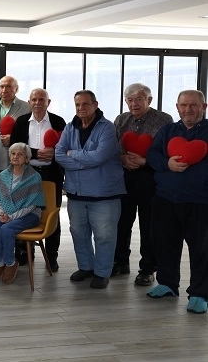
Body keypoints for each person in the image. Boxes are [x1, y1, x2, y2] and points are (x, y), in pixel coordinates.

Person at [145, 90, 208, 314]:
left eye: (193, 105)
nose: (188, 109)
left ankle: (200, 294)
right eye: (183, 105)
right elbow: (152, 155)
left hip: (200, 202)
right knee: (165, 244)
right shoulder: (168, 131)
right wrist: (167, 164)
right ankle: (168, 284)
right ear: (177, 107)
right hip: (165, 199)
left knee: (201, 249)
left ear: (204, 107)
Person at [55, 90, 125, 289]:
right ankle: (86, 267)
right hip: (76, 192)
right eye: (77, 104)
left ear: (95, 104)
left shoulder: (107, 128)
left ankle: (102, 273)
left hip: (104, 194)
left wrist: (73, 154)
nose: (81, 108)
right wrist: (85, 161)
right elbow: (59, 154)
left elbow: (100, 156)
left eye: (85, 104)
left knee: (104, 235)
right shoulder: (70, 127)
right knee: (79, 233)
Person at [113, 83, 173, 286]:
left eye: (139, 99)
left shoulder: (164, 120)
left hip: (151, 178)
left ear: (149, 100)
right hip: (124, 178)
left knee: (149, 225)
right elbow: (113, 148)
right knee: (122, 222)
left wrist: (145, 161)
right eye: (130, 100)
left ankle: (147, 269)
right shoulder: (121, 120)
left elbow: (168, 152)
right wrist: (122, 159)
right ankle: (120, 262)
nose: (134, 104)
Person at [9, 88, 66, 271]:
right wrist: (35, 153)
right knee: (23, 213)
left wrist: (54, 153)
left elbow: (66, 147)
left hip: (51, 174)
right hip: (27, 173)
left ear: (48, 102)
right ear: (29, 102)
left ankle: (51, 257)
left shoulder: (58, 121)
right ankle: (25, 254)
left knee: (51, 215)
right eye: (34, 99)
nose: (37, 103)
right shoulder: (21, 122)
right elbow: (14, 147)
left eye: (41, 99)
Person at [0, 143, 46, 284]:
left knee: (6, 229)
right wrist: (1, 213)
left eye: (20, 154)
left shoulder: (34, 177)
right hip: (6, 213)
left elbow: (32, 205)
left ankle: (10, 262)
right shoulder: (3, 175)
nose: (15, 156)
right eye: (13, 154)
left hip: (29, 215)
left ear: (27, 158)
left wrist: (11, 217)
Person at [0, 76, 31, 188]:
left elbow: (30, 133)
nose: (4, 90)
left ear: (16, 89)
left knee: (18, 193)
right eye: (2, 86)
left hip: (19, 160)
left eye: (8, 86)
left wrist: (13, 139)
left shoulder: (26, 107)